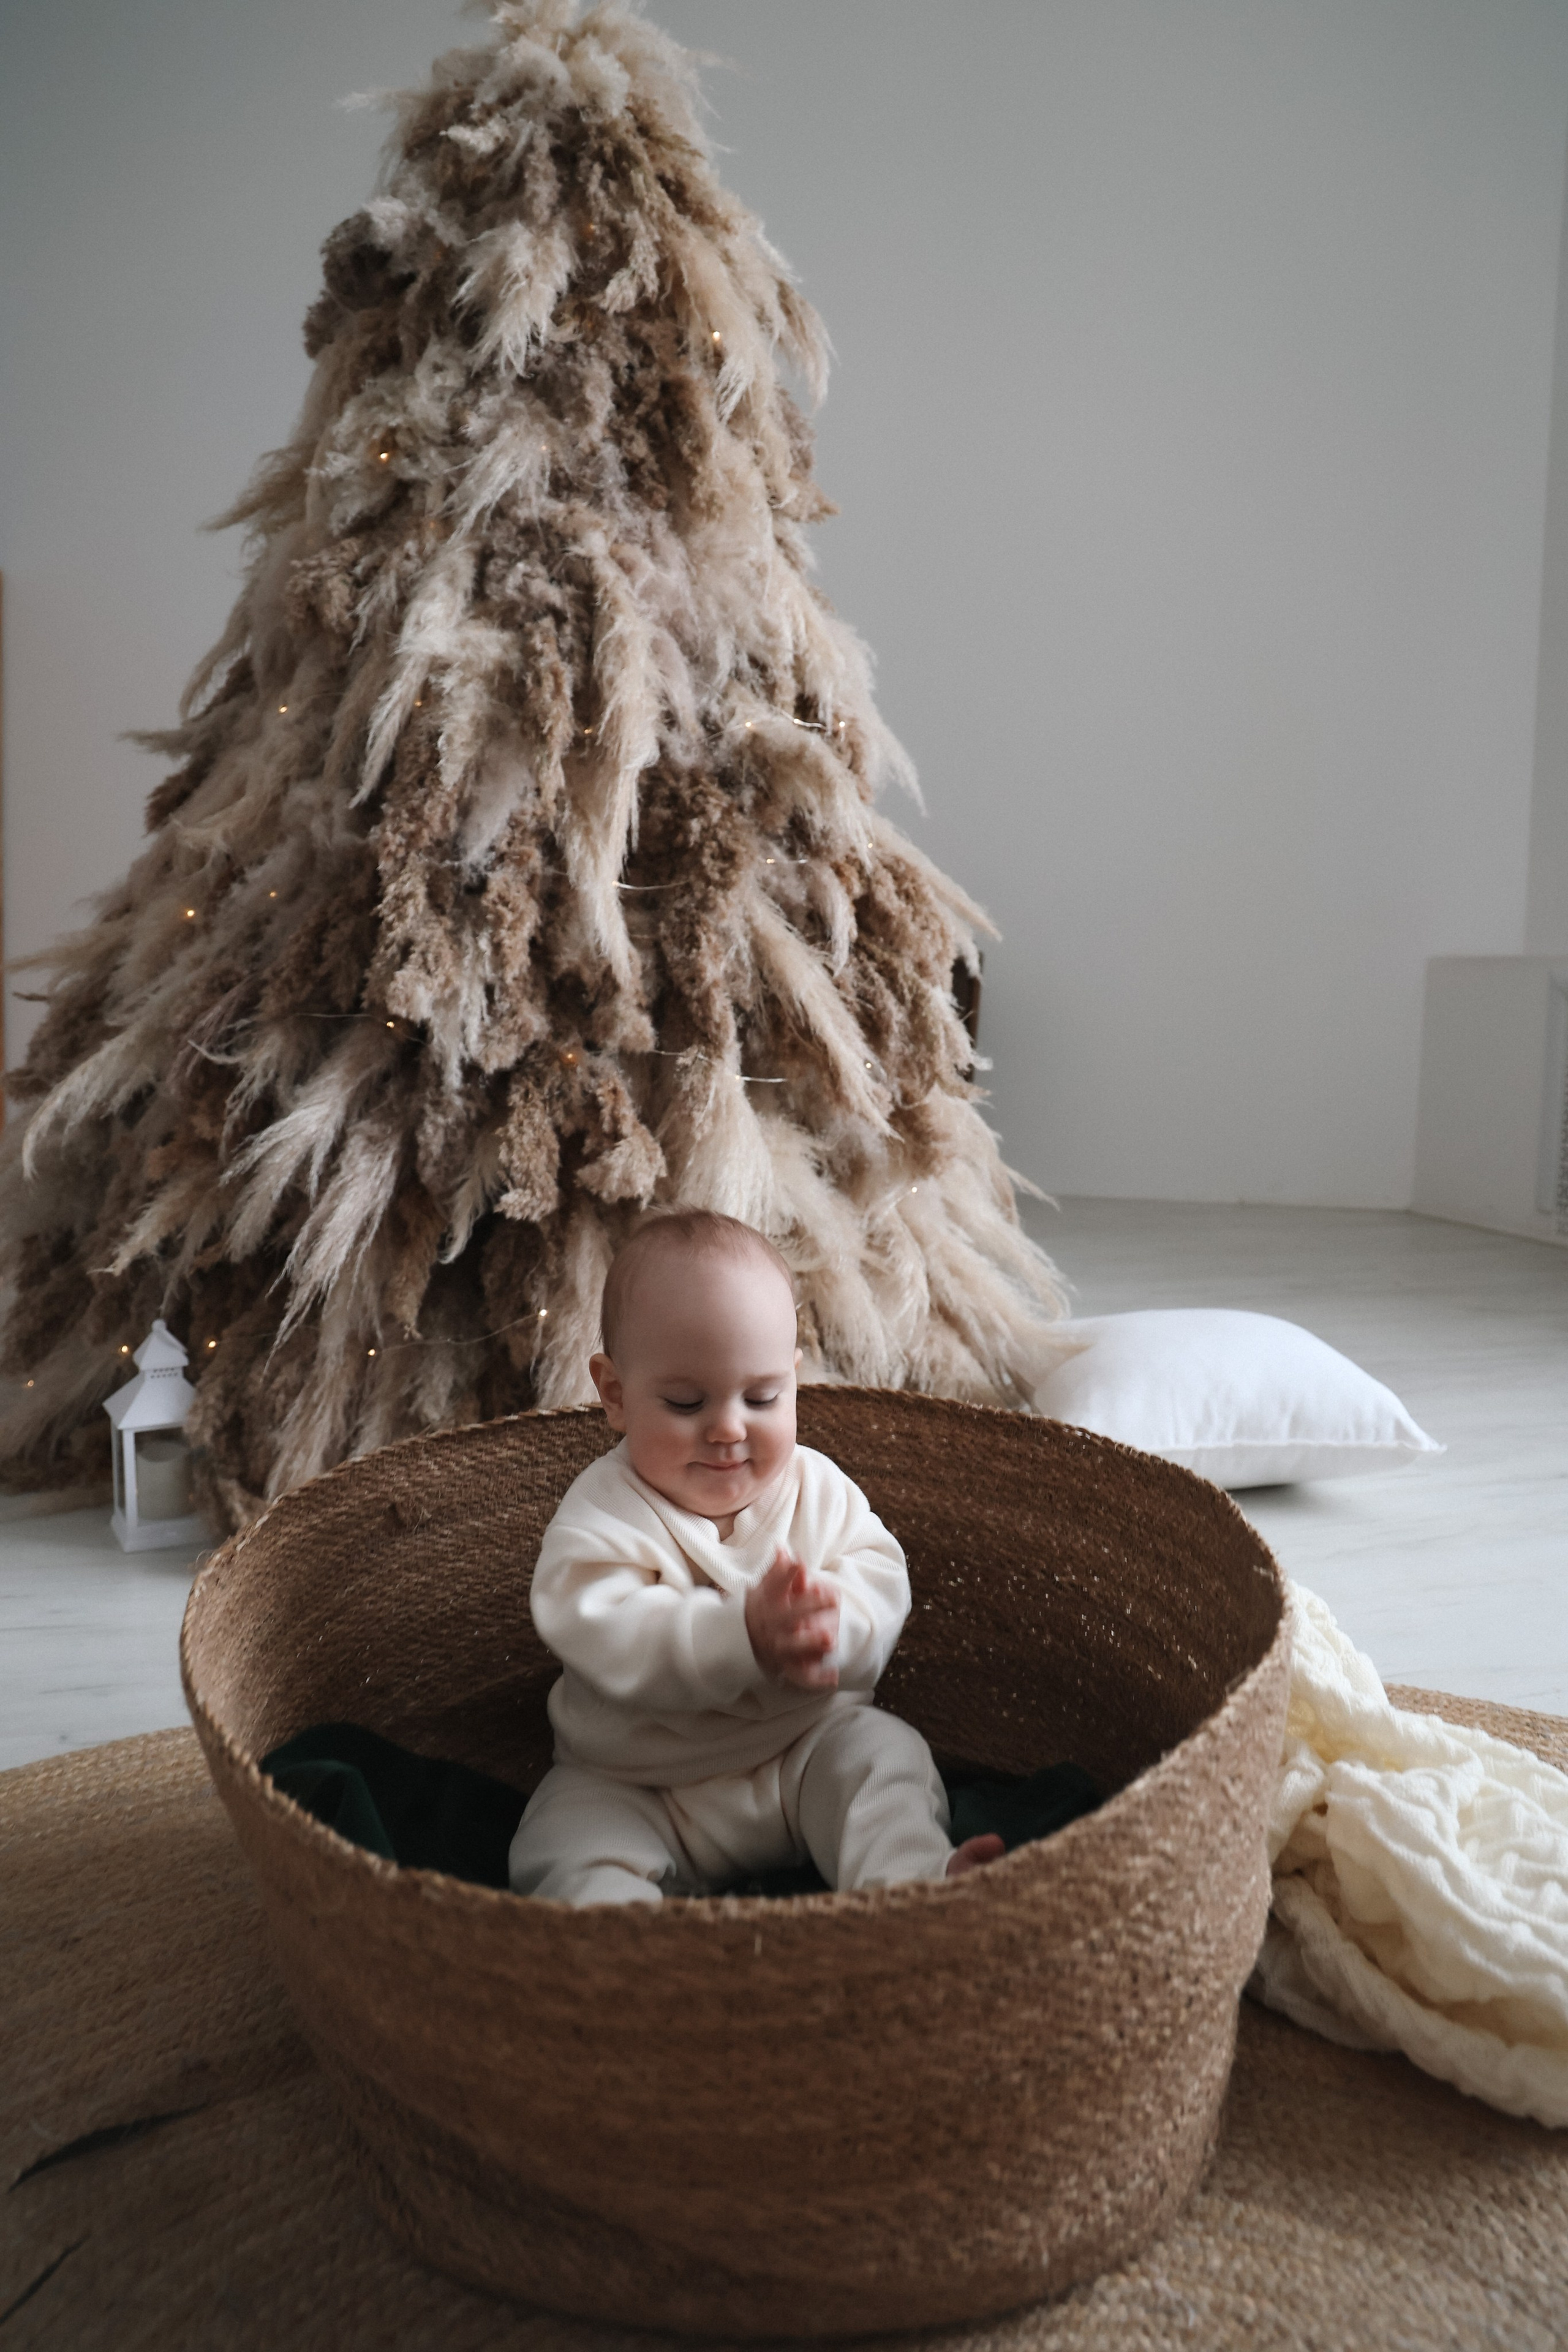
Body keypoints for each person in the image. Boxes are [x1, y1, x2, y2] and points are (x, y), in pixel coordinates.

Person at [508, 1208, 1005, 1905]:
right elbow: (598, 1627)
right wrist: (739, 1635)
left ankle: (915, 1886)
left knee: (883, 1757)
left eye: (762, 1396)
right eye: (685, 1403)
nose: (729, 1429)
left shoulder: (816, 1488)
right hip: (639, 1780)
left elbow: (878, 1572)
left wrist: (835, 1626)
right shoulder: (603, 1512)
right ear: (615, 1396)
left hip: (801, 1753)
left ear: (794, 1382)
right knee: (560, 1836)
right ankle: (623, 1948)